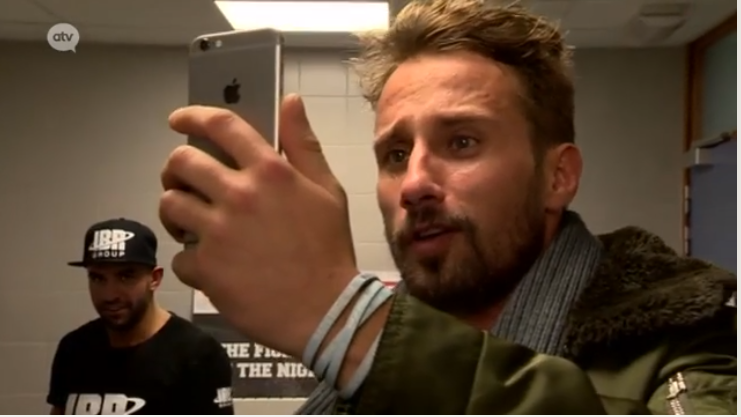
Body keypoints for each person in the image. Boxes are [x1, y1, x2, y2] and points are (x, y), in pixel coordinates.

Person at [157, 0, 737, 414]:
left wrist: (345, 323)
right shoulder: (352, 384)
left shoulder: (693, 339)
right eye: (396, 154)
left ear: (558, 177)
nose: (414, 183)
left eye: (461, 142)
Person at [48, 218, 235, 415]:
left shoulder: (197, 354)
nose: (110, 295)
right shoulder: (74, 348)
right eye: (97, 278)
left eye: (125, 277)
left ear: (154, 278)